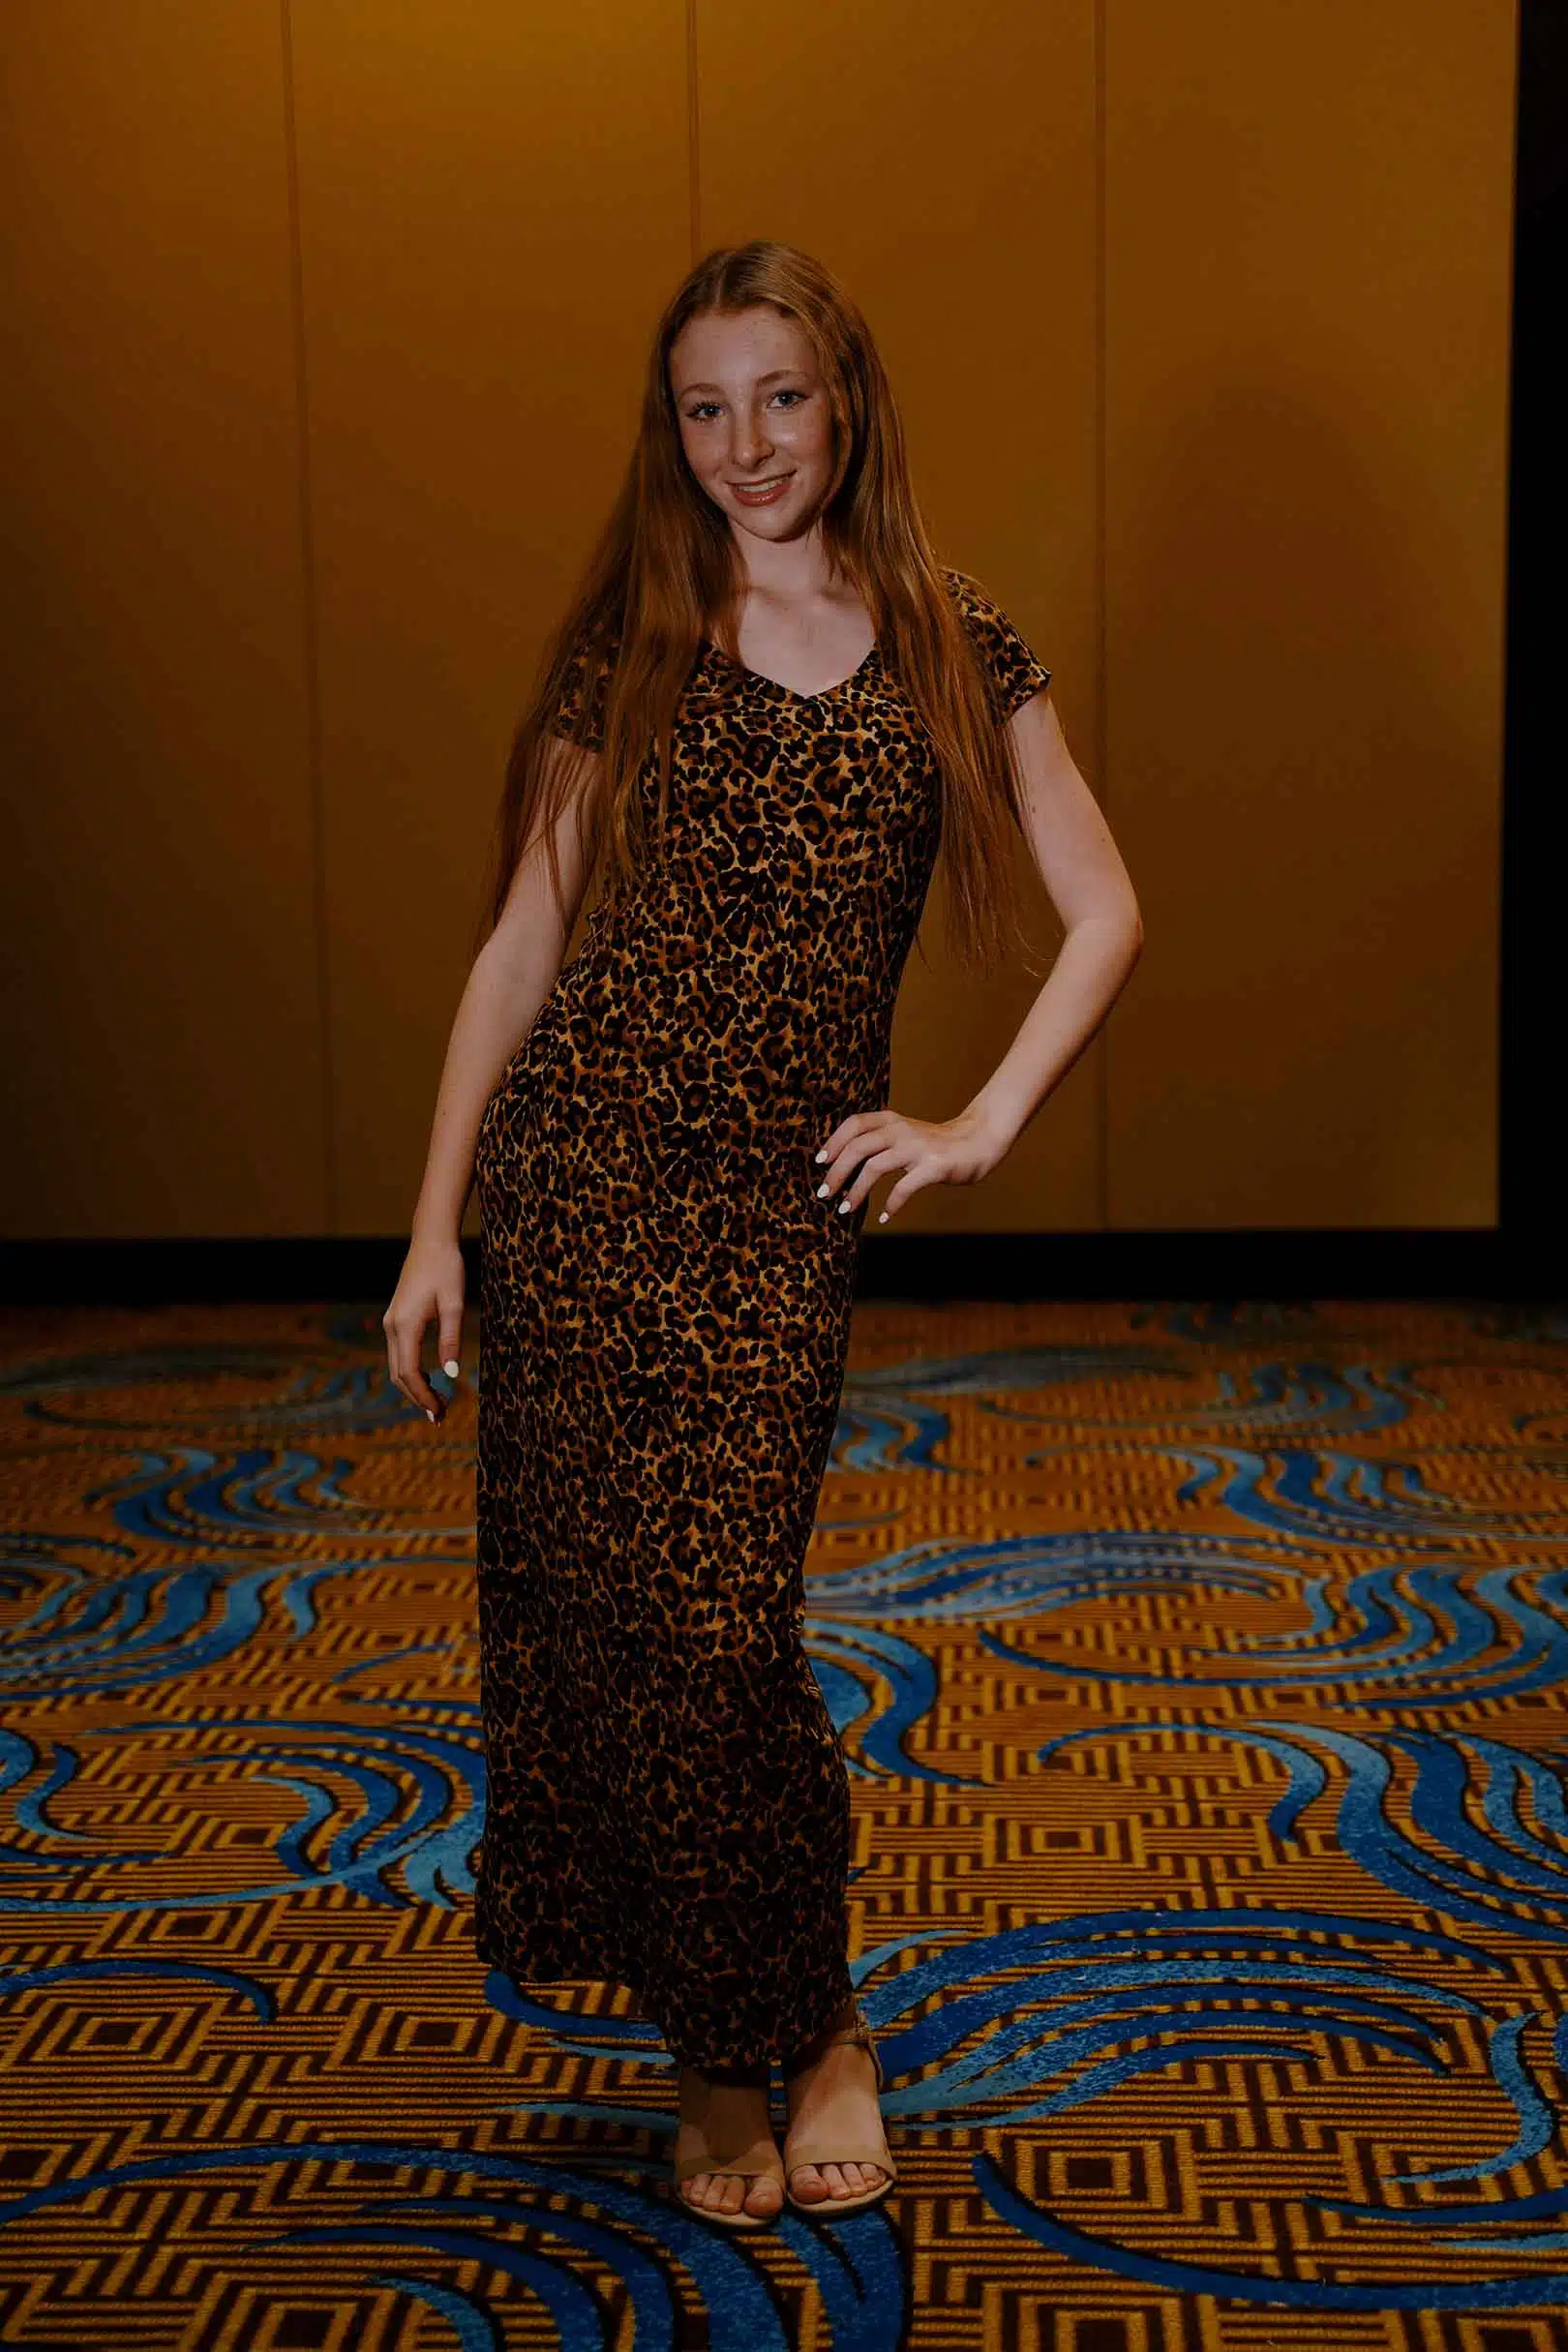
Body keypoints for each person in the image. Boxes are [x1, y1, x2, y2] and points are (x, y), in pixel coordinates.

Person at [382, 239, 1143, 2232]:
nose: (747, 445)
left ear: (848, 400)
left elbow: (1109, 909)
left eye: (781, 397)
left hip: (768, 1223)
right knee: (609, 1637)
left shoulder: (949, 636)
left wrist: (980, 1123)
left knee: (722, 1638)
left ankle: (818, 2027)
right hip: (574, 1191)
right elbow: (523, 946)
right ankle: (724, 2052)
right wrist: (436, 1225)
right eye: (706, 408)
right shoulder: (637, 639)